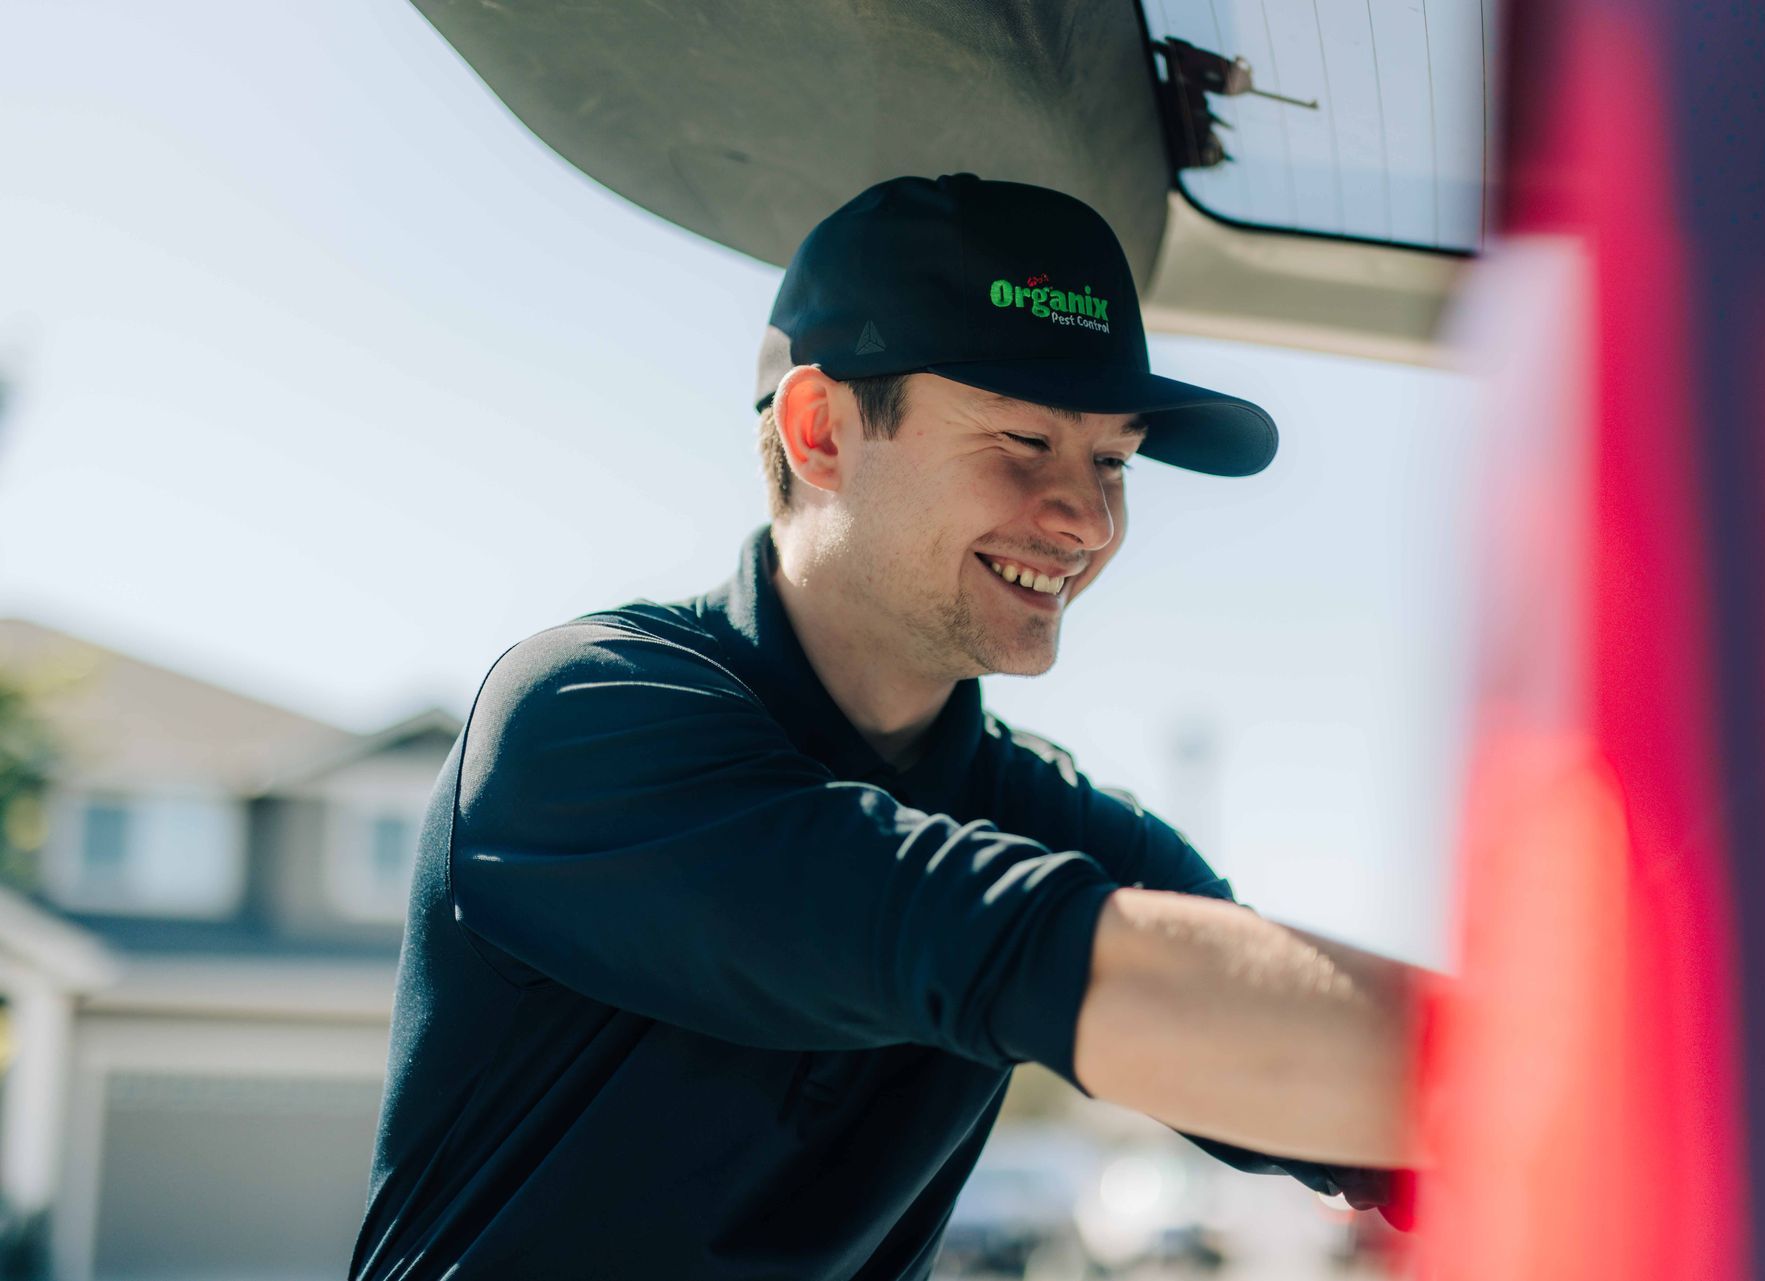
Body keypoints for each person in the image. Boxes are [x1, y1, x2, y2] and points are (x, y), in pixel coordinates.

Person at [351, 173, 1428, 1281]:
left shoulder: (1050, 819)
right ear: (819, 431)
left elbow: (1304, 1071)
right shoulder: (579, 718)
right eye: (1022, 439)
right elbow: (979, 944)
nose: (1090, 518)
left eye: (1112, 458)